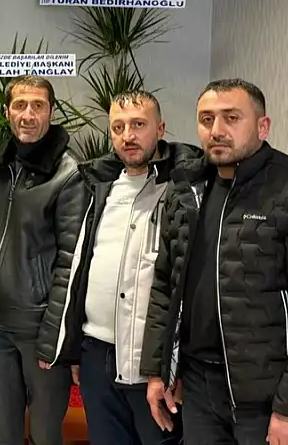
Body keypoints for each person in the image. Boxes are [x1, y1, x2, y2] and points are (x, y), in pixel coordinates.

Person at [142, 78, 288, 445]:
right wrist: (158, 371)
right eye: (207, 119)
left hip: (267, 397)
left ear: (263, 127)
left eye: (231, 118)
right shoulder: (186, 189)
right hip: (197, 387)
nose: (217, 130)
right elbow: (165, 286)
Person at [50, 91, 199, 445]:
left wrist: (172, 366)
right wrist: (74, 347)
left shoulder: (184, 190)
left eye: (138, 125)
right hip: (96, 353)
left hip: (152, 360)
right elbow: (77, 269)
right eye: (118, 127)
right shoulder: (96, 188)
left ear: (160, 129)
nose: (128, 136)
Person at [0, 74, 84, 445]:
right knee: (3, 435)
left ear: (51, 112)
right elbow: (7, 233)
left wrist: (54, 337)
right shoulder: (2, 165)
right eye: (20, 105)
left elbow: (70, 261)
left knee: (44, 436)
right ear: (7, 112)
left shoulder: (68, 174)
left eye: (38, 105)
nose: (28, 114)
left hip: (39, 330)